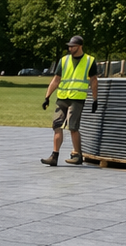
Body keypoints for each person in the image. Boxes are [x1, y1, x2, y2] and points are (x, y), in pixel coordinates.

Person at [40, 36, 98, 166]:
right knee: (57, 125)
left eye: (73, 46)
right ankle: (54, 156)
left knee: (73, 127)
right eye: (69, 46)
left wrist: (95, 99)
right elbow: (56, 79)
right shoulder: (64, 60)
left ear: (80, 46)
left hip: (77, 99)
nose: (70, 48)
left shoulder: (89, 61)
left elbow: (94, 80)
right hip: (62, 98)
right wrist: (47, 97)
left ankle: (77, 155)